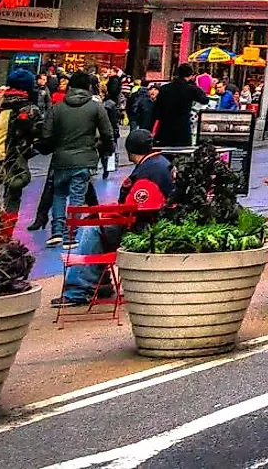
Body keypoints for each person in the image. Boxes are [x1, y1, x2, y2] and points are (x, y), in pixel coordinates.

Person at [58, 128, 174, 307]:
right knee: (98, 227)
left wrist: (108, 214)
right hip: (155, 223)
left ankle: (78, 290)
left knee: (91, 229)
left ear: (129, 150)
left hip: (143, 227)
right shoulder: (160, 163)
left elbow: (135, 208)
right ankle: (100, 284)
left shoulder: (148, 172)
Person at [42, 71, 115, 249]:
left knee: (59, 194)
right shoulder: (96, 108)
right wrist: (107, 149)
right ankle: (70, 235)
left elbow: (47, 134)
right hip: (85, 158)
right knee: (77, 196)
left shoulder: (57, 108)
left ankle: (57, 231)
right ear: (88, 87)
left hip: (61, 159)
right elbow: (107, 132)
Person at [0, 69, 44, 215]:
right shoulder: (29, 108)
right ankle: (6, 234)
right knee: (12, 196)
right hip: (15, 159)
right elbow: (39, 133)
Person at [152, 64, 205, 149]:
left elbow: (156, 111)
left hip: (165, 130)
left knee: (165, 155)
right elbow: (204, 99)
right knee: (182, 156)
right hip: (182, 129)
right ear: (190, 75)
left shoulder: (165, 88)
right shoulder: (190, 89)